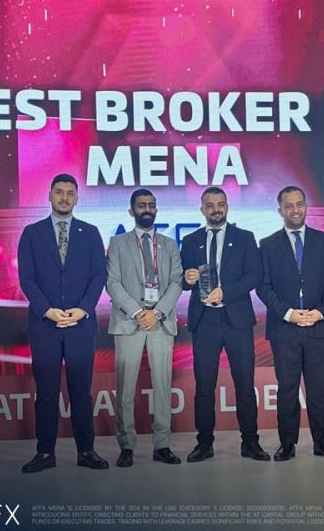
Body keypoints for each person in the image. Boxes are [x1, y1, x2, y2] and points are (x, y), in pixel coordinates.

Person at [18, 173, 108, 472]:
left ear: (77, 198)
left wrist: (83, 309)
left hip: (80, 325)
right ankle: (45, 453)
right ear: (50, 195)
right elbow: (27, 279)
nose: (65, 197)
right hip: (45, 325)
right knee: (46, 392)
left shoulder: (90, 233)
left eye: (70, 193)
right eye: (59, 192)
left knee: (81, 391)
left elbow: (98, 276)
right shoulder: (32, 233)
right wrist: (47, 310)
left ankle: (86, 451)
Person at [181, 187, 269, 463]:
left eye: (220, 204)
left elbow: (255, 275)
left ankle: (250, 442)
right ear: (202, 209)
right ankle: (204, 443)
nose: (216, 209)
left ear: (227, 207)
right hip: (204, 321)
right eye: (210, 205)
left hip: (237, 321)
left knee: (244, 384)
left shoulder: (245, 237)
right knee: (204, 387)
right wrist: (188, 277)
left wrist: (226, 292)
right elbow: (182, 280)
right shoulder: (191, 240)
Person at [257, 186, 324, 461]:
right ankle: (287, 444)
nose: (295, 210)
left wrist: (320, 312)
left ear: (306, 207)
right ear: (280, 210)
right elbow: (263, 286)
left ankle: (322, 442)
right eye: (289, 205)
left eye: (299, 204)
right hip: (285, 328)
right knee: (287, 390)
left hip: (320, 327)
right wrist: (288, 314)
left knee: (318, 390)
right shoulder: (267, 244)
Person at [107, 189, 183, 467]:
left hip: (161, 321)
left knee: (162, 385)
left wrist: (157, 312)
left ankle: (162, 445)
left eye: (151, 205)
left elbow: (177, 281)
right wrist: (139, 312)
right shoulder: (117, 243)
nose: (147, 209)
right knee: (125, 387)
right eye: (141, 205)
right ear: (132, 211)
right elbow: (112, 283)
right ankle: (126, 445)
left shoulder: (170, 244)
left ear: (156, 209)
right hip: (129, 320)